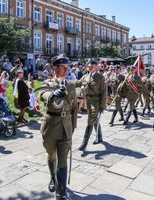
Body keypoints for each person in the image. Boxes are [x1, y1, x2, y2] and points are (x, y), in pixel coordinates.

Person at [38, 55, 77, 200]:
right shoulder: (48, 82)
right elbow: (42, 93)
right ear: (55, 68)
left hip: (66, 127)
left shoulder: (71, 85)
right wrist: (52, 95)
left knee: (63, 160)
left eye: (68, 67)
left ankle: (61, 192)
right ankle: (53, 178)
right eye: (63, 67)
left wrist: (72, 128)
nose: (67, 70)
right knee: (51, 155)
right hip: (50, 127)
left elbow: (74, 109)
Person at [77, 60, 106, 152]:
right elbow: (77, 83)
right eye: (89, 66)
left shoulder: (100, 77)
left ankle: (84, 144)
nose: (90, 67)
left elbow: (104, 92)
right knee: (95, 120)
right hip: (88, 102)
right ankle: (100, 136)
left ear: (96, 67)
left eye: (92, 66)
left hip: (96, 102)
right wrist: (65, 82)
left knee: (90, 121)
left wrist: (102, 106)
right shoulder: (85, 76)